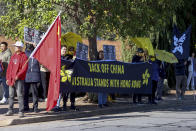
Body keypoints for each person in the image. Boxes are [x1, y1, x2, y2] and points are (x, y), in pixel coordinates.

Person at [5, 41, 28, 118]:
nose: (14, 47)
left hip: (19, 79)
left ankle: (21, 111)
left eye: (16, 46)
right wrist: (8, 78)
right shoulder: (13, 56)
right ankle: (10, 110)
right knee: (11, 95)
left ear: (19, 48)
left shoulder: (24, 56)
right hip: (11, 78)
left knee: (19, 95)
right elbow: (9, 68)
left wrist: (18, 75)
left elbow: (24, 68)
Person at [24, 43, 41, 113]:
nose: (29, 47)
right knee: (25, 92)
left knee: (34, 92)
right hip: (26, 74)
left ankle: (35, 107)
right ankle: (26, 106)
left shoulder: (37, 53)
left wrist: (36, 46)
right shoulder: (25, 53)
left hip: (34, 74)